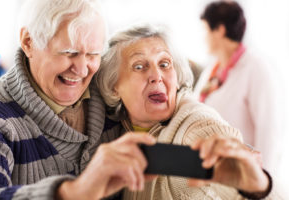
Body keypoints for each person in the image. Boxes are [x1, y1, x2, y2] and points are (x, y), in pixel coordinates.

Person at [0, 0, 158, 199]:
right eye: (69, 53)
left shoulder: (110, 89)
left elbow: (173, 90)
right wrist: (72, 192)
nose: (82, 69)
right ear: (28, 42)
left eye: (93, 54)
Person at [96, 24, 276, 199]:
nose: (157, 76)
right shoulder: (116, 132)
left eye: (164, 64)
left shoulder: (195, 128)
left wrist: (258, 187)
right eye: (139, 66)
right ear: (113, 87)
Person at [194, 0, 282, 174]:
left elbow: (269, 133)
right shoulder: (213, 70)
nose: (202, 38)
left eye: (205, 31)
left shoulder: (256, 68)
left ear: (220, 30)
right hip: (210, 173)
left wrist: (262, 183)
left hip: (243, 177)